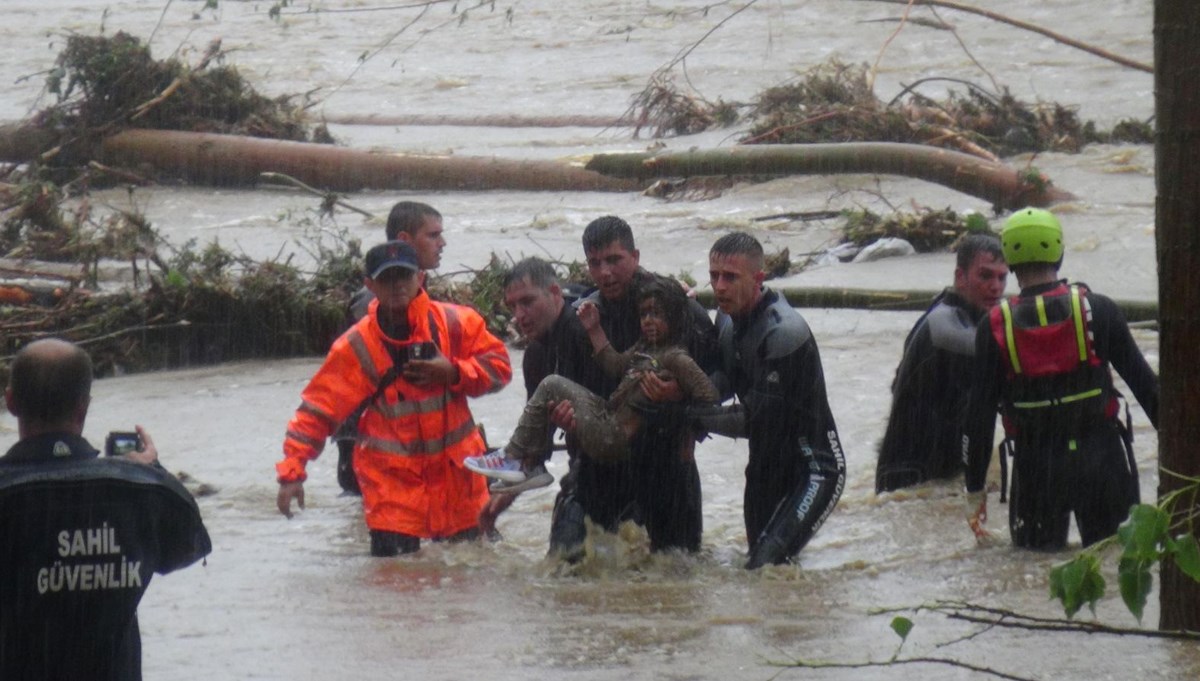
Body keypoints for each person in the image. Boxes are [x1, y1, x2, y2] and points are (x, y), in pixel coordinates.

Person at [277, 240, 512, 557]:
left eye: (404, 275)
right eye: (387, 278)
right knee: (395, 595)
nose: (398, 285)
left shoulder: (457, 323)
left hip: (458, 486)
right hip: (393, 493)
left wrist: (455, 373)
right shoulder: (356, 346)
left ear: (420, 277)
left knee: (464, 593)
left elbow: (500, 368)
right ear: (370, 285)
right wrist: (292, 472)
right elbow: (316, 412)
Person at [0, 338, 211, 681]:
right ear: (83, 407)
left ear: (11, 402)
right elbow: (186, 548)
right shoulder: (142, 491)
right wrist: (149, 471)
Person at [960, 208, 1159, 549]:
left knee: (1034, 577)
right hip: (1102, 464)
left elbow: (977, 420)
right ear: (1060, 253)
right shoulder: (1099, 310)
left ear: (1009, 258)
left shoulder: (993, 326)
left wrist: (974, 489)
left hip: (1037, 471)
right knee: (1114, 563)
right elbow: (1150, 391)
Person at [553, 217, 721, 557]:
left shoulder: (682, 310)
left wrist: (680, 398)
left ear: (636, 256)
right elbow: (566, 390)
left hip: (667, 465)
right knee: (567, 573)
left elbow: (720, 381)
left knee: (677, 577)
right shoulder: (578, 322)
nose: (604, 273)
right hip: (599, 467)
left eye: (614, 260)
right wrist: (562, 417)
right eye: (594, 263)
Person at [465, 275, 718, 492]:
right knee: (552, 389)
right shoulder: (645, 347)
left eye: (657, 314)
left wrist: (677, 396)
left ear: (674, 317)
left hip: (613, 436)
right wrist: (595, 329)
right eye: (644, 314)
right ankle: (529, 463)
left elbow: (710, 397)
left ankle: (515, 457)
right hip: (608, 415)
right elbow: (615, 365)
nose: (649, 321)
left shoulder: (676, 357)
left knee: (552, 383)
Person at [692, 232, 846, 569]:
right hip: (764, 466)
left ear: (758, 279)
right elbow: (726, 381)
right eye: (714, 276)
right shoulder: (727, 319)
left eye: (730, 277)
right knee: (763, 576)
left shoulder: (784, 332)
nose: (719, 287)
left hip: (813, 471)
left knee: (765, 566)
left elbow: (755, 420)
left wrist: (691, 417)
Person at [875, 233, 1008, 492]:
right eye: (985, 275)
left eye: (1002, 277)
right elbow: (999, 362)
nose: (995, 287)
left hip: (940, 472)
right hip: (911, 478)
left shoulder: (966, 317)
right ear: (960, 277)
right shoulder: (944, 327)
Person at [339, 201, 447, 493]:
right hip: (368, 437)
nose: (442, 243)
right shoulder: (373, 303)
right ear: (404, 241)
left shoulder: (414, 295)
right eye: (433, 235)